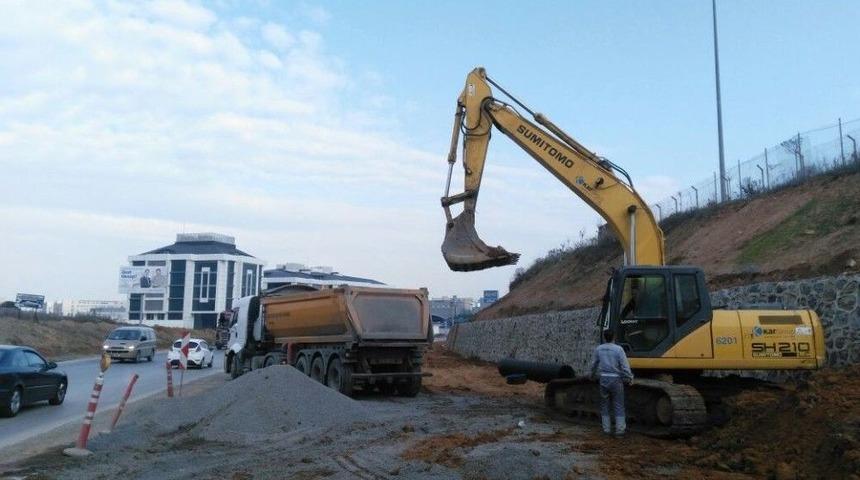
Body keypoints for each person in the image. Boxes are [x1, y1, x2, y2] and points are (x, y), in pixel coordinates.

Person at [590, 329, 634, 437]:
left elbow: (593, 364)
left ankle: (606, 430)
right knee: (618, 405)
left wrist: (592, 375)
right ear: (614, 337)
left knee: (605, 405)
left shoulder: (599, 349)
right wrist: (630, 377)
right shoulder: (618, 349)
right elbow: (624, 366)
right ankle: (619, 431)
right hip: (616, 379)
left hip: (603, 378)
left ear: (605, 337)